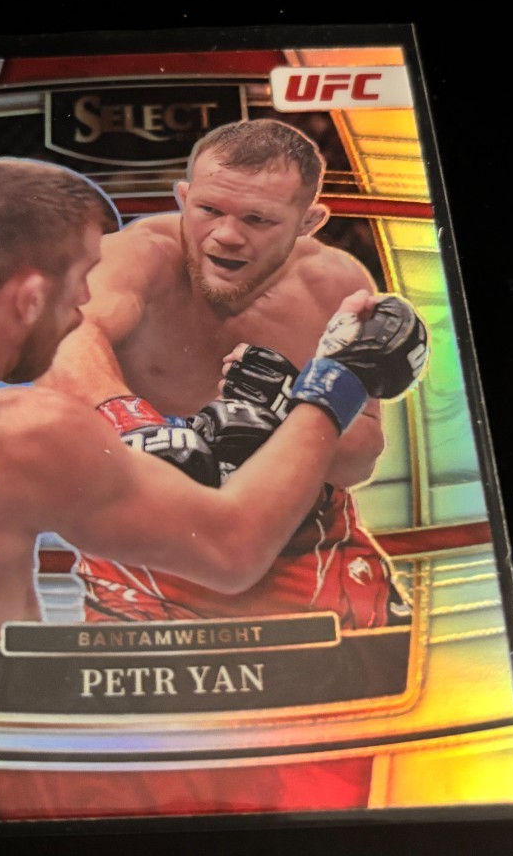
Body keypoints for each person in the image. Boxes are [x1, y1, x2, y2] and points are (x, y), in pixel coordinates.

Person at [0, 157, 420, 644]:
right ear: (30, 297)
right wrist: (338, 377)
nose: (83, 304)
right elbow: (232, 549)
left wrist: (278, 409)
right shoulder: (30, 433)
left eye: (258, 219)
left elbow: (360, 456)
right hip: (8, 677)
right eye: (79, 285)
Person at [45, 119, 418, 629]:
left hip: (303, 543)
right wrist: (133, 425)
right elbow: (65, 341)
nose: (226, 235)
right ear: (183, 197)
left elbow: (360, 459)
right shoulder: (138, 255)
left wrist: (295, 407)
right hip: (149, 547)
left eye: (258, 219)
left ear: (308, 221)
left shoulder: (334, 285)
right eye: (208, 210)